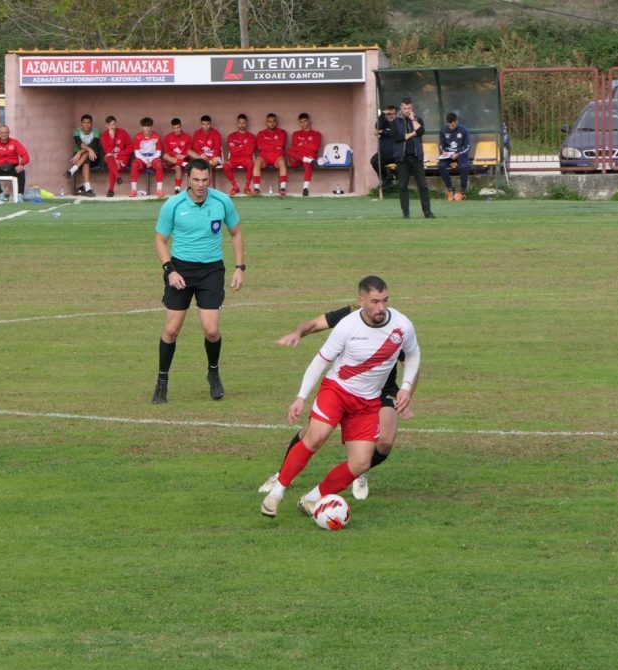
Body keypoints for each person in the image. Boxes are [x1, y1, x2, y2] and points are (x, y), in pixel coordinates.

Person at [260, 276, 420, 519]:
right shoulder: (347, 324)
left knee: (361, 463)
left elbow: (414, 354)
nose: (381, 307)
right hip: (337, 392)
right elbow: (320, 361)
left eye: (385, 300)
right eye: (375, 302)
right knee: (316, 436)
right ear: (361, 301)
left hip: (368, 402)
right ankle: (276, 493)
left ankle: (312, 499)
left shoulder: (402, 324)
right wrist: (301, 397)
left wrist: (406, 388)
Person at [152, 158, 245, 404]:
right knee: (171, 330)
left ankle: (213, 373)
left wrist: (239, 267)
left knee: (212, 330)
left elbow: (236, 233)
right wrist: (170, 270)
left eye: (205, 179)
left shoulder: (223, 201)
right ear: (186, 179)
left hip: (211, 271)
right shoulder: (173, 205)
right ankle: (162, 381)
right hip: (180, 269)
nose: (201, 184)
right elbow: (160, 240)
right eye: (196, 179)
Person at [391, 97, 434, 219]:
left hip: (416, 157)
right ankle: (406, 213)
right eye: (404, 108)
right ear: (401, 108)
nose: (407, 110)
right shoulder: (395, 122)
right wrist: (412, 134)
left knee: (423, 186)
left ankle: (427, 212)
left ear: (412, 108)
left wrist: (413, 119)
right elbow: (397, 138)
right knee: (403, 186)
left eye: (409, 108)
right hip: (402, 158)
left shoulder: (417, 119)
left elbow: (421, 131)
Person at [0, 125, 30, 203]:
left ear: (9, 133)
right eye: (2, 132)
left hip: (13, 167)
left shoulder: (15, 143)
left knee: (22, 172)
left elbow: (25, 156)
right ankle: (0, 194)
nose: (4, 134)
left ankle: (20, 196)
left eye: (6, 132)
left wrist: (21, 165)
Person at [286, 112, 322, 197]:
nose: (303, 124)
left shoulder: (316, 134)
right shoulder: (296, 134)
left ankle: (305, 188)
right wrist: (308, 145)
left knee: (307, 163)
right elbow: (294, 148)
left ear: (309, 121)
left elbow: (315, 148)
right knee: (287, 151)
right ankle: (309, 160)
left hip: (309, 156)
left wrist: (302, 144)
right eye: (301, 122)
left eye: (305, 121)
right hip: (298, 158)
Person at [438, 112, 471, 201]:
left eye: (452, 125)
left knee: (464, 167)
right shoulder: (443, 131)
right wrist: (443, 151)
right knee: (441, 166)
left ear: (456, 122)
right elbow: (441, 145)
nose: (451, 127)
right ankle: (450, 189)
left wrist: (458, 153)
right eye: (449, 125)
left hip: (460, 153)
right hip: (448, 154)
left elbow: (467, 146)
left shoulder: (464, 131)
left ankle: (462, 192)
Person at [252, 113, 288, 196]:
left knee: (282, 162)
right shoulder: (261, 133)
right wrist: (274, 145)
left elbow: (281, 144)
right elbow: (260, 146)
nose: (271, 123)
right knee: (257, 161)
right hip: (264, 156)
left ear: (276, 122)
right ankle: (256, 188)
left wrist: (268, 144)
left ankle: (282, 188)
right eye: (269, 121)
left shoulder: (282, 132)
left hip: (277, 156)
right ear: (266, 122)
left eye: (273, 121)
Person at [65, 113, 100, 197]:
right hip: (78, 158)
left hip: (93, 158)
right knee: (87, 156)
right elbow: (78, 142)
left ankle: (72, 170)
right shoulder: (76, 131)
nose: (86, 124)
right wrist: (88, 150)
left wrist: (80, 152)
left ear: (91, 123)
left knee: (88, 154)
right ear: (81, 123)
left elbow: (93, 144)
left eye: (88, 123)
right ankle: (88, 189)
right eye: (84, 122)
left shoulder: (96, 131)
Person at [129, 117, 165, 198]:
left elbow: (158, 153)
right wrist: (146, 161)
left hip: (154, 158)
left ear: (151, 127)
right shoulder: (138, 137)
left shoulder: (156, 137)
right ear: (141, 127)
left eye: (149, 126)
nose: (147, 129)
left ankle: (159, 190)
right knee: (134, 164)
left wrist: (151, 160)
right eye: (145, 126)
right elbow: (137, 153)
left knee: (159, 165)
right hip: (142, 158)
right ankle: (133, 190)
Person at [223, 113, 256, 196]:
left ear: (246, 123)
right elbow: (232, 150)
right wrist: (244, 146)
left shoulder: (251, 136)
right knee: (226, 165)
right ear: (237, 123)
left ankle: (247, 187)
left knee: (251, 164)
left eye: (243, 123)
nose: (242, 125)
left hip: (246, 158)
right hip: (234, 159)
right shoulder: (231, 136)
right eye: (240, 123)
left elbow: (250, 151)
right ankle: (235, 187)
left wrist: (238, 147)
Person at [99, 115, 132, 198]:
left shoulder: (123, 133)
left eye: (113, 124)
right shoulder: (104, 136)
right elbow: (108, 151)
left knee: (111, 165)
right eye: (109, 125)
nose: (112, 127)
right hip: (111, 158)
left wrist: (121, 154)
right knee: (109, 157)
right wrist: (112, 137)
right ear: (106, 126)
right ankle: (117, 178)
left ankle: (111, 189)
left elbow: (130, 147)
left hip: (122, 159)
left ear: (116, 124)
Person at [162, 118, 193, 195]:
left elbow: (188, 151)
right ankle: (183, 164)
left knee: (178, 166)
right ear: (172, 128)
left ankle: (177, 188)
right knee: (165, 155)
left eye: (178, 127)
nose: (177, 130)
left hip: (184, 159)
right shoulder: (167, 137)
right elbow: (167, 151)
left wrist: (183, 156)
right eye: (174, 128)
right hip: (172, 159)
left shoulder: (187, 137)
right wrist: (176, 155)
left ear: (181, 126)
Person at [370, 104, 398, 189]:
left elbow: (396, 134)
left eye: (393, 114)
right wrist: (382, 114)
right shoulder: (384, 122)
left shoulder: (399, 123)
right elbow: (377, 128)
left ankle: (396, 178)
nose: (391, 116)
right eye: (389, 114)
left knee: (405, 162)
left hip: (397, 153)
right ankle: (385, 179)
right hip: (384, 154)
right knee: (374, 161)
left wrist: (384, 132)